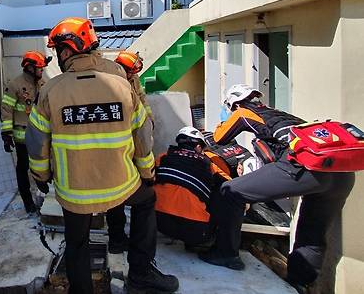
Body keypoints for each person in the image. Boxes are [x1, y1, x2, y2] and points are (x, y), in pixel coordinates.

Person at [26, 17, 178, 294]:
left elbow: (36, 142)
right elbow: (142, 135)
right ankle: (141, 274)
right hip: (121, 185)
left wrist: (41, 176)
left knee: (77, 242)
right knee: (145, 202)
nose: (58, 57)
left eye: (58, 51)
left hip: (75, 192)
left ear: (68, 50)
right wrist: (147, 173)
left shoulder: (50, 91)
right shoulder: (121, 84)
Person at [201, 84, 355, 294]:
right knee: (312, 229)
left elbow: (219, 137)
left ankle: (225, 254)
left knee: (231, 191)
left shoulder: (244, 112)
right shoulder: (282, 115)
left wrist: (224, 120)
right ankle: (301, 283)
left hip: (304, 170)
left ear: (234, 103)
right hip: (341, 175)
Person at [107, 51, 156, 253]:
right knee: (116, 195)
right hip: (119, 140)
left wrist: (148, 120)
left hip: (134, 136)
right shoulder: (111, 81)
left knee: (138, 192)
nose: (132, 77)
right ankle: (117, 239)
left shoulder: (132, 79)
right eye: (131, 73)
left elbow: (142, 101)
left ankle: (129, 238)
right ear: (122, 68)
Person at [154, 127, 230, 249]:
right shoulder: (209, 164)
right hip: (195, 230)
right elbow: (231, 184)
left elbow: (147, 176)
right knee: (221, 192)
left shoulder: (162, 157)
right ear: (199, 147)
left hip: (158, 222)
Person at [0, 50, 50, 213]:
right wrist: (7, 134)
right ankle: (28, 202)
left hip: (41, 136)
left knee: (45, 166)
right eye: (40, 69)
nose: (42, 72)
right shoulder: (15, 85)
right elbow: (6, 109)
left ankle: (46, 196)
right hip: (22, 138)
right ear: (30, 68)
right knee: (23, 168)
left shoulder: (43, 83)